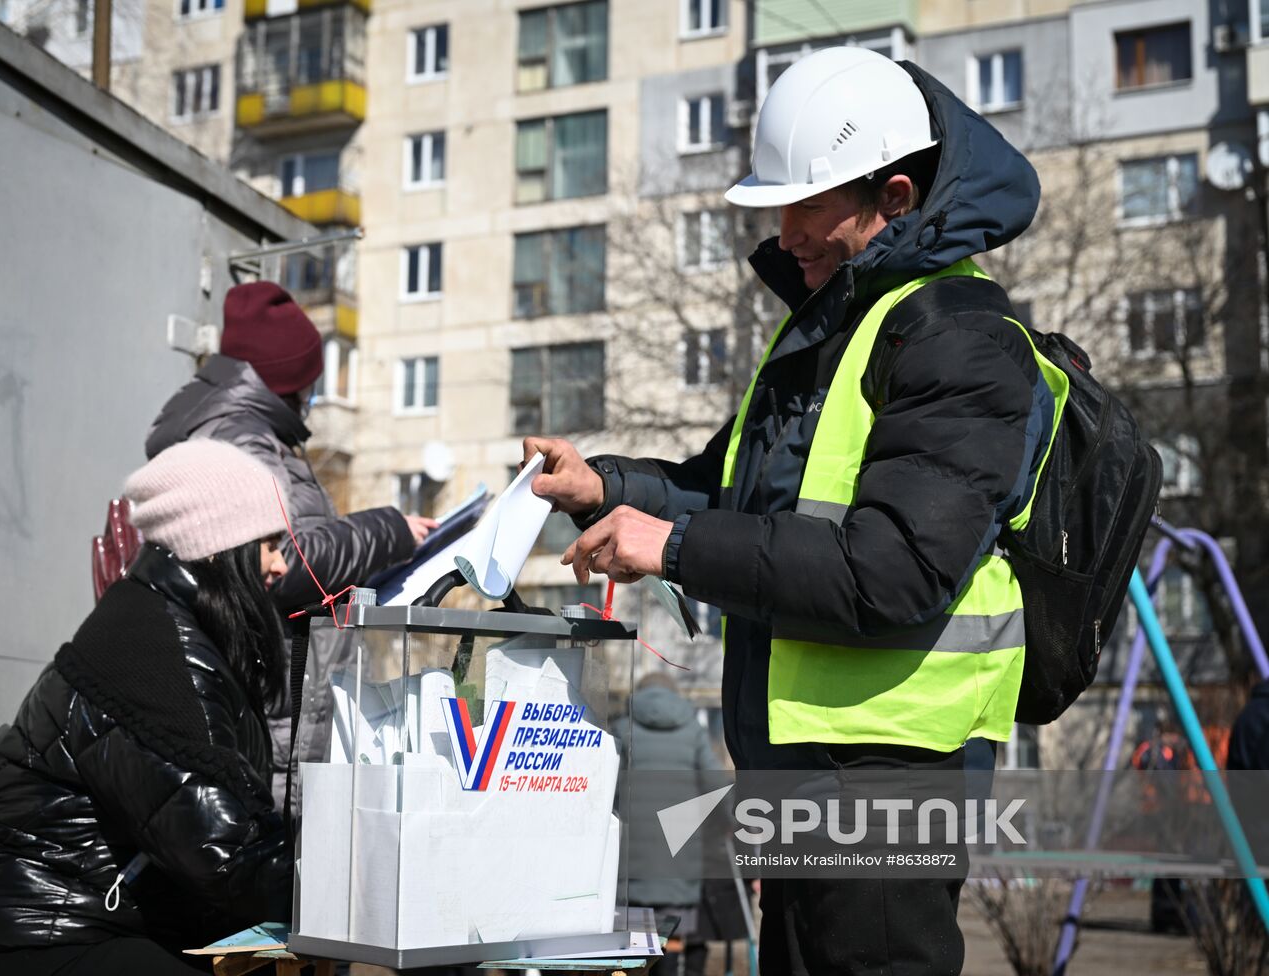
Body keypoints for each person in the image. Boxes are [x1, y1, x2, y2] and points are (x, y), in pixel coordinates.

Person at [525, 47, 1053, 976]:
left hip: (891, 767)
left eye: (808, 202)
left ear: (895, 195)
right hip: (805, 762)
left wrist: (676, 546)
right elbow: (729, 491)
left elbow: (890, 569)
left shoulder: (959, 337)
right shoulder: (833, 326)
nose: (785, 227)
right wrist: (604, 487)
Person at [0, 440, 297, 974]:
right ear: (219, 543)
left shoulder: (172, 626)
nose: (281, 564)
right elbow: (225, 857)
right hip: (36, 936)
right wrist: (351, 878)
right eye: (268, 543)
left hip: (78, 923)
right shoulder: (153, 650)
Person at [145, 281, 438, 794]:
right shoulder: (241, 439)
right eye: (310, 382)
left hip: (282, 710)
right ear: (288, 381)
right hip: (269, 717)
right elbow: (284, 562)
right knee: (270, 863)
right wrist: (389, 530)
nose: (313, 398)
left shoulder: (256, 434)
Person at [611, 673, 718, 976]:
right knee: (672, 939)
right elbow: (716, 784)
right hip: (679, 853)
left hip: (632, 859)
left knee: (632, 942)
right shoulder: (693, 732)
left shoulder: (622, 729)